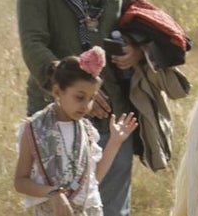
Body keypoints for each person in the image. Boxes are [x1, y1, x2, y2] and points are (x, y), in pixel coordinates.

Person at [17, 0, 145, 216]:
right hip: (56, 116)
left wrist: (135, 51)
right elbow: (33, 44)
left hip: (112, 113)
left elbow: (145, 28)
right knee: (60, 207)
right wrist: (76, 90)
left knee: (112, 209)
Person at [14, 48, 139, 216]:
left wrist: (114, 142)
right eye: (80, 97)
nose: (86, 106)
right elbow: (20, 182)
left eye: (92, 98)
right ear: (58, 92)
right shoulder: (34, 129)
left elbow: (93, 179)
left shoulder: (87, 132)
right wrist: (53, 193)